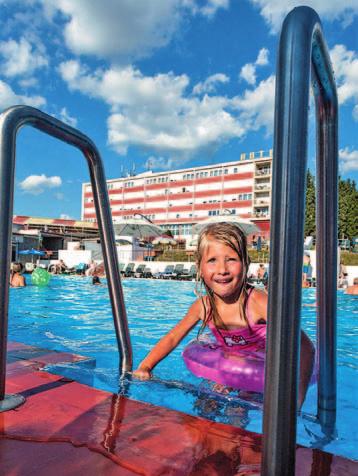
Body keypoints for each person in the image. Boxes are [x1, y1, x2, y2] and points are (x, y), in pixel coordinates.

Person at [133, 222, 314, 408]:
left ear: (246, 264)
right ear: (199, 267)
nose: (222, 270)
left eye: (231, 259)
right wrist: (146, 367)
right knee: (204, 403)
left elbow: (305, 346)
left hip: (261, 368)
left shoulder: (259, 303)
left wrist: (297, 398)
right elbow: (172, 337)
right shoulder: (203, 307)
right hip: (230, 364)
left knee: (237, 410)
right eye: (212, 260)